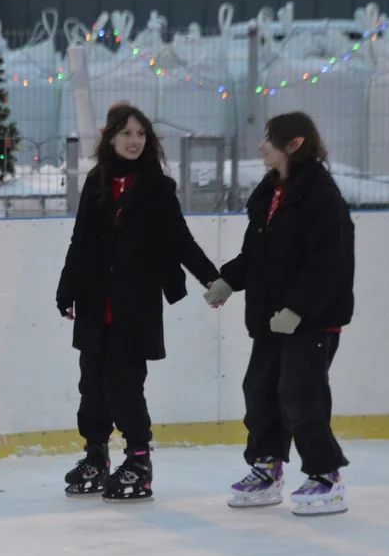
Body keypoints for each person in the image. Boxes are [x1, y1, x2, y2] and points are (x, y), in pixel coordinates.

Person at [56, 103, 220, 501]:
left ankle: (139, 460)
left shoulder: (155, 186)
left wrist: (212, 278)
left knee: (124, 387)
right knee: (91, 387)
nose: (134, 141)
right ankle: (97, 455)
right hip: (95, 304)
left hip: (134, 306)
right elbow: (80, 241)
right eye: (127, 133)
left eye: (141, 134)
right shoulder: (97, 180)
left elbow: (179, 239)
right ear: (111, 137)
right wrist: (66, 290)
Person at [203, 111, 355, 516]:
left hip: (311, 319)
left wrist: (297, 309)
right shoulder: (271, 194)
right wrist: (228, 281)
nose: (260, 146)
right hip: (271, 318)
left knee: (300, 395)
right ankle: (267, 469)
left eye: (268, 139)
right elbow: (257, 255)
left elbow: (329, 264)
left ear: (295, 145)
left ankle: (326, 476)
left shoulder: (321, 197)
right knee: (261, 391)